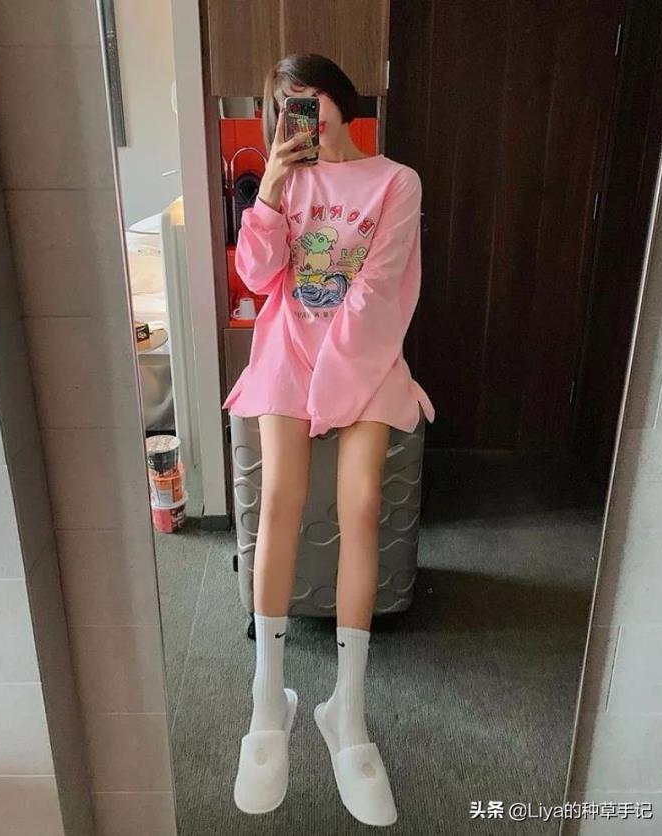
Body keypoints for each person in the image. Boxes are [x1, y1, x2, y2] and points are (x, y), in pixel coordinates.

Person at [222, 53, 435, 827]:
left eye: (307, 100)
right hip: (287, 349)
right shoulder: (287, 180)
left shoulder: (396, 181)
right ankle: (267, 699)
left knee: (363, 505)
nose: (298, 116)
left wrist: (333, 385)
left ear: (340, 101)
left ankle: (346, 708)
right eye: (285, 105)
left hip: (364, 356)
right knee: (278, 500)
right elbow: (257, 276)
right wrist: (270, 192)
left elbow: (381, 288)